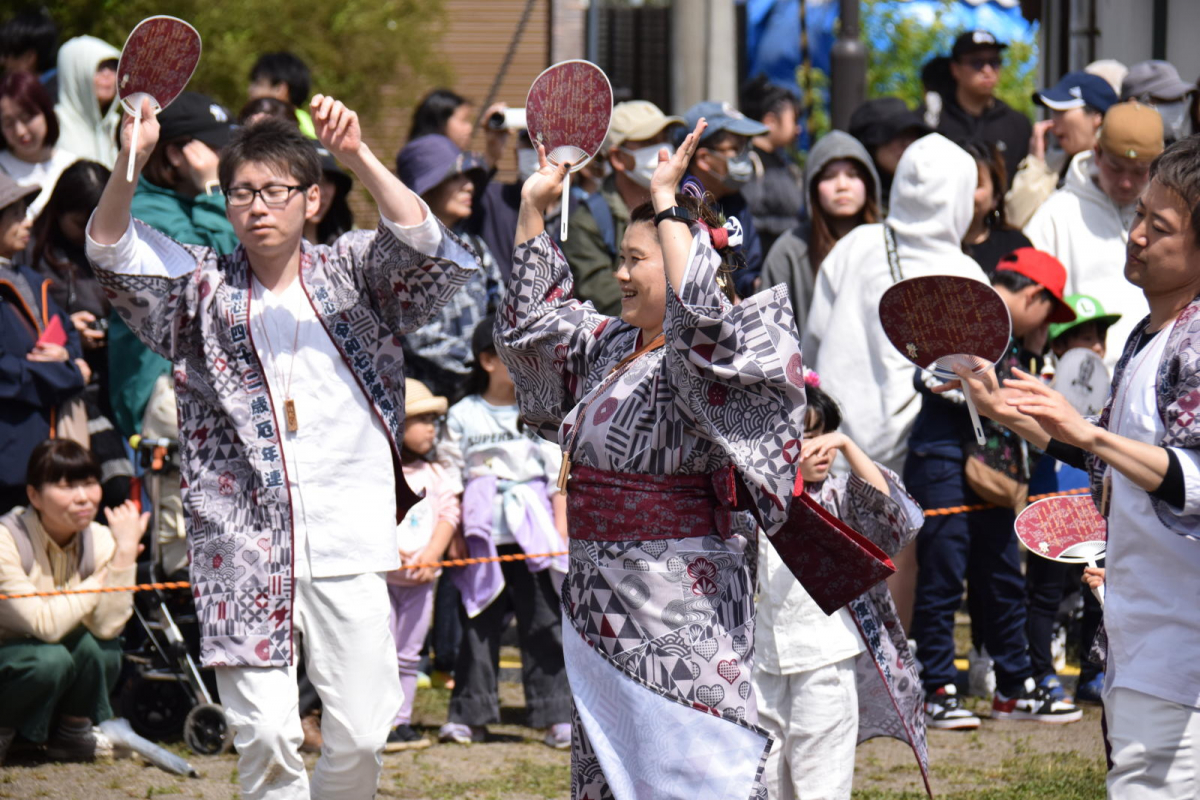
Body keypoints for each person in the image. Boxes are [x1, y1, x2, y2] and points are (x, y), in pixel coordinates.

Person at [86, 92, 480, 798]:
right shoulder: (201, 289)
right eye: (242, 192)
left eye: (276, 191)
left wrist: (359, 151)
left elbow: (426, 246)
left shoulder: (356, 273)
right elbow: (112, 253)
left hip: (347, 528)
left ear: (314, 198)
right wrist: (130, 162)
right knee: (266, 736)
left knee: (362, 730)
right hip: (240, 538)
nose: (258, 207)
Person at [497, 116, 809, 797]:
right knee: (612, 768)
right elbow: (535, 331)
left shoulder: (721, 354)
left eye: (636, 259)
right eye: (620, 258)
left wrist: (669, 202)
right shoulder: (610, 344)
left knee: (692, 768)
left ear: (681, 261)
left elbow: (707, 327)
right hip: (599, 597)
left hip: (680, 598)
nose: (619, 274)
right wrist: (533, 210)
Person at [946, 134, 1200, 797]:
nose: (1137, 234)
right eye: (1139, 215)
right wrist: (1004, 409)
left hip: (1182, 659)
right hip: (1142, 643)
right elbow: (1110, 462)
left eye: (1159, 225)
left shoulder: (1196, 339)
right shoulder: (1151, 335)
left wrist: (1090, 432)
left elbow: (1191, 480)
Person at [803, 134, 985, 631]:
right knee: (903, 558)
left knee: (837, 562)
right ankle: (894, 672)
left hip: (841, 437)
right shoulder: (966, 273)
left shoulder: (855, 246)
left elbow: (814, 338)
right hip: (921, 448)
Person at [907, 247, 1083, 731]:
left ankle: (1014, 686)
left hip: (996, 473)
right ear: (1033, 294)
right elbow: (926, 376)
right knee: (943, 578)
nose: (1045, 323)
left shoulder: (1023, 343)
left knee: (1003, 577)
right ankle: (937, 688)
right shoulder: (969, 315)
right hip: (942, 461)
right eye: (1049, 309)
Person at [753, 375, 929, 800]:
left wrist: (849, 445)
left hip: (826, 655)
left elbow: (895, 514)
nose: (821, 448)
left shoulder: (838, 495)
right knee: (765, 779)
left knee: (821, 780)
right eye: (806, 437)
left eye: (825, 435)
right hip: (759, 658)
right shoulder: (754, 497)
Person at [437, 319, 571, 749]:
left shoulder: (540, 413)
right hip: (482, 535)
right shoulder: (462, 415)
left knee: (544, 624)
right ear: (487, 360)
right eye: (513, 358)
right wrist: (455, 535)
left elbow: (557, 480)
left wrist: (562, 534)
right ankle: (470, 714)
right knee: (477, 623)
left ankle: (554, 713)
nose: (523, 366)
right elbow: (449, 479)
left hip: (533, 533)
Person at [0, 439, 147, 765]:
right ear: (34, 495)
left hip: (46, 661)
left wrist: (124, 557)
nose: (83, 497)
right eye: (67, 486)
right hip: (12, 660)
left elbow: (107, 627)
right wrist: (104, 576)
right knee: (48, 660)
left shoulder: (101, 538)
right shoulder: (6, 540)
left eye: (90, 483)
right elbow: (45, 625)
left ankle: (72, 734)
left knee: (102, 649)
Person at [1024, 293, 1119, 706]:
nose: (1095, 345)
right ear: (1058, 346)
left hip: (1095, 501)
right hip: (1050, 498)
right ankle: (1041, 674)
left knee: (1096, 591)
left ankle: (1092, 674)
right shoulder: (1041, 386)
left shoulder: (1115, 388)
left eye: (1099, 336)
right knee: (1045, 592)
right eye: (1083, 336)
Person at [1025, 101, 1163, 368]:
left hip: (1153, 377)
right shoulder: (1056, 214)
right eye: (1116, 167)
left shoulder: (1173, 219)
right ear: (1097, 153)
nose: (1125, 182)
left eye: (1138, 171)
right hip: (1079, 383)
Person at [0, 172, 87, 515]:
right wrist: (67, 373)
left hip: (48, 452)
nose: (28, 220)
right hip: (10, 460)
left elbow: (70, 336)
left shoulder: (32, 280)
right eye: (16, 212)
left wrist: (68, 355)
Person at [384, 379, 460, 752]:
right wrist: (389, 551)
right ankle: (376, 721)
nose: (431, 426)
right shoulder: (382, 471)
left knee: (409, 653)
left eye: (434, 418)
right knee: (378, 651)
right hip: (383, 579)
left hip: (421, 580)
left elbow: (449, 513)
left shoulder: (437, 473)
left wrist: (432, 554)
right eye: (421, 419)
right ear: (398, 423)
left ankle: (401, 721)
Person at [395, 133, 500, 398]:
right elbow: (419, 336)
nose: (468, 186)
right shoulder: (403, 254)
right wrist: (482, 362)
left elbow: (501, 309)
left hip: (479, 398)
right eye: (455, 177)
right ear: (427, 189)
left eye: (469, 177)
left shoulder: (474, 246)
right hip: (424, 404)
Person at [564, 99, 683, 315]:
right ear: (618, 158)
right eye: (649, 142)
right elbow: (605, 297)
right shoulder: (588, 221)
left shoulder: (684, 206)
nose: (663, 148)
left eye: (665, 139)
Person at [760, 129, 880, 330]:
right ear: (813, 187)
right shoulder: (790, 250)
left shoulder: (888, 244)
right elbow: (769, 329)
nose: (842, 185)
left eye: (853, 175)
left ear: (868, 182)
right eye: (829, 176)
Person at [1006, 71, 1119, 230]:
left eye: (1061, 111)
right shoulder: (1052, 165)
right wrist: (1036, 162)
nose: (1053, 121)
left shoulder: (1119, 170)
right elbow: (1014, 219)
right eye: (1052, 111)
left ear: (1097, 117)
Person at [678, 101, 768, 296]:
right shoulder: (674, 207)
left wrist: (757, 285)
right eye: (735, 149)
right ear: (703, 158)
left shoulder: (736, 204)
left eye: (745, 148)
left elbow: (746, 271)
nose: (745, 158)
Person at [937, 30, 1032, 181]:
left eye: (994, 62)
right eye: (977, 63)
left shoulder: (1018, 124)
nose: (987, 70)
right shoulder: (934, 119)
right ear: (955, 69)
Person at [739, 75, 804, 256]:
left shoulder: (787, 165)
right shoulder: (747, 164)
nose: (799, 129)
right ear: (770, 121)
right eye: (795, 120)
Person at [0, 70, 76, 219]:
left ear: (46, 112)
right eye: (8, 123)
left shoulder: (71, 166)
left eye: (27, 117)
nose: (20, 131)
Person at [960, 139, 1032, 274]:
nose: (966, 191)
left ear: (996, 196)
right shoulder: (930, 246)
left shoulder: (1016, 248)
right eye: (960, 182)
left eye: (977, 184)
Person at [848, 97, 932, 212]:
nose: (906, 143)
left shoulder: (932, 195)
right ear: (871, 146)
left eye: (912, 134)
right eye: (895, 135)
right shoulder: (851, 205)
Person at [52, 36, 119, 168]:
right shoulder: (53, 126)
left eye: (113, 67)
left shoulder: (117, 125)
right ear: (74, 74)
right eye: (99, 68)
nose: (108, 74)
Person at [407, 88, 507, 170]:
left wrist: (492, 154)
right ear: (440, 122)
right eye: (464, 120)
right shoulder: (421, 157)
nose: (470, 128)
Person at [1121, 60, 1194, 143]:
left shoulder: (1179, 150)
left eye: (1180, 98)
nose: (1176, 106)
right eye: (1165, 99)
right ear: (1133, 103)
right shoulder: (1114, 150)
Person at [247, 52, 315, 137]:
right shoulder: (312, 125)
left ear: (280, 89)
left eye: (258, 83)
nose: (250, 90)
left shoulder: (297, 128)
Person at [0, 9, 57, 97]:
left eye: (7, 54)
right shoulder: (61, 88)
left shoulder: (44, 100)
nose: (2, 61)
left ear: (29, 57)